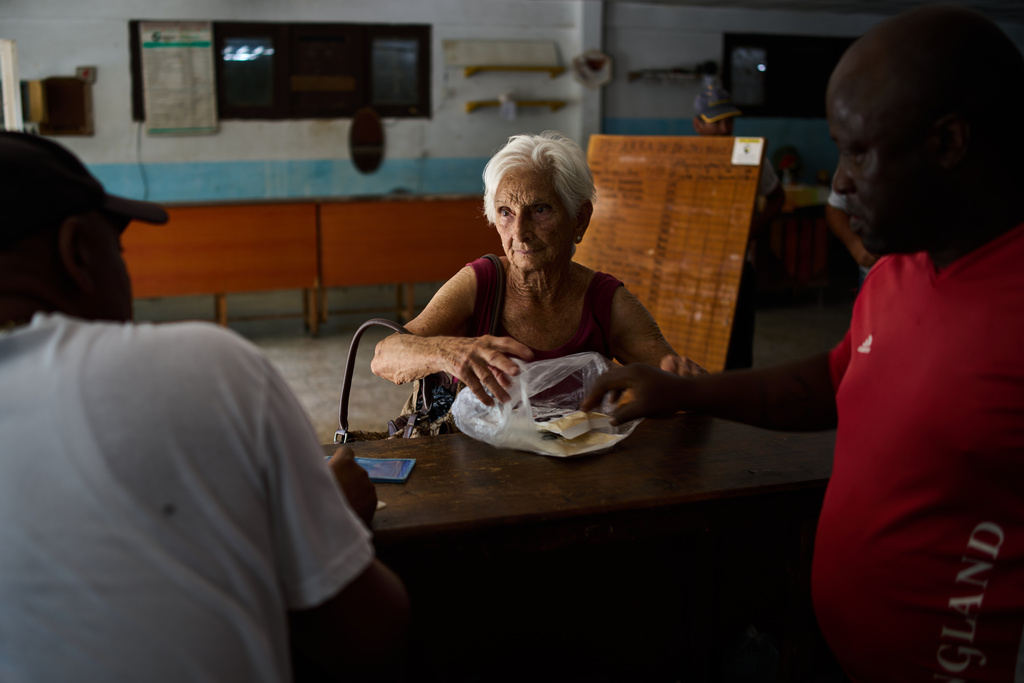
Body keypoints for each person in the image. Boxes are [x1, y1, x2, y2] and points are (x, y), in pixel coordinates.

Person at [584, 5, 1024, 681]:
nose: (840, 182)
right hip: (833, 647)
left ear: (949, 142)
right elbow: (837, 377)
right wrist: (682, 389)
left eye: (857, 150)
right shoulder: (899, 267)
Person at [0, 132, 409, 682]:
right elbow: (366, 633)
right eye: (117, 250)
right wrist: (332, 516)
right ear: (77, 254)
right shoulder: (203, 366)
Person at [371, 130, 705, 408]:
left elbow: (675, 379)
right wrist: (448, 352)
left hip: (575, 469)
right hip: (480, 470)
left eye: (540, 209)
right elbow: (385, 356)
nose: (519, 232)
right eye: (505, 212)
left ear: (580, 218)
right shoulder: (482, 283)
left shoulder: (605, 302)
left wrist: (683, 382)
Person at [692, 72, 786, 369]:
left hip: (737, 267)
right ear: (697, 124)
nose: (724, 129)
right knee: (697, 342)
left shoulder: (749, 155)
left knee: (737, 347)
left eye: (729, 121)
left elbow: (777, 196)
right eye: (715, 122)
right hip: (696, 267)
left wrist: (754, 230)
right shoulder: (685, 159)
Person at [824, 182, 877, 287]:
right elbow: (835, 206)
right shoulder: (856, 167)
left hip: (915, 275)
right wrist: (855, 245)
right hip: (874, 275)